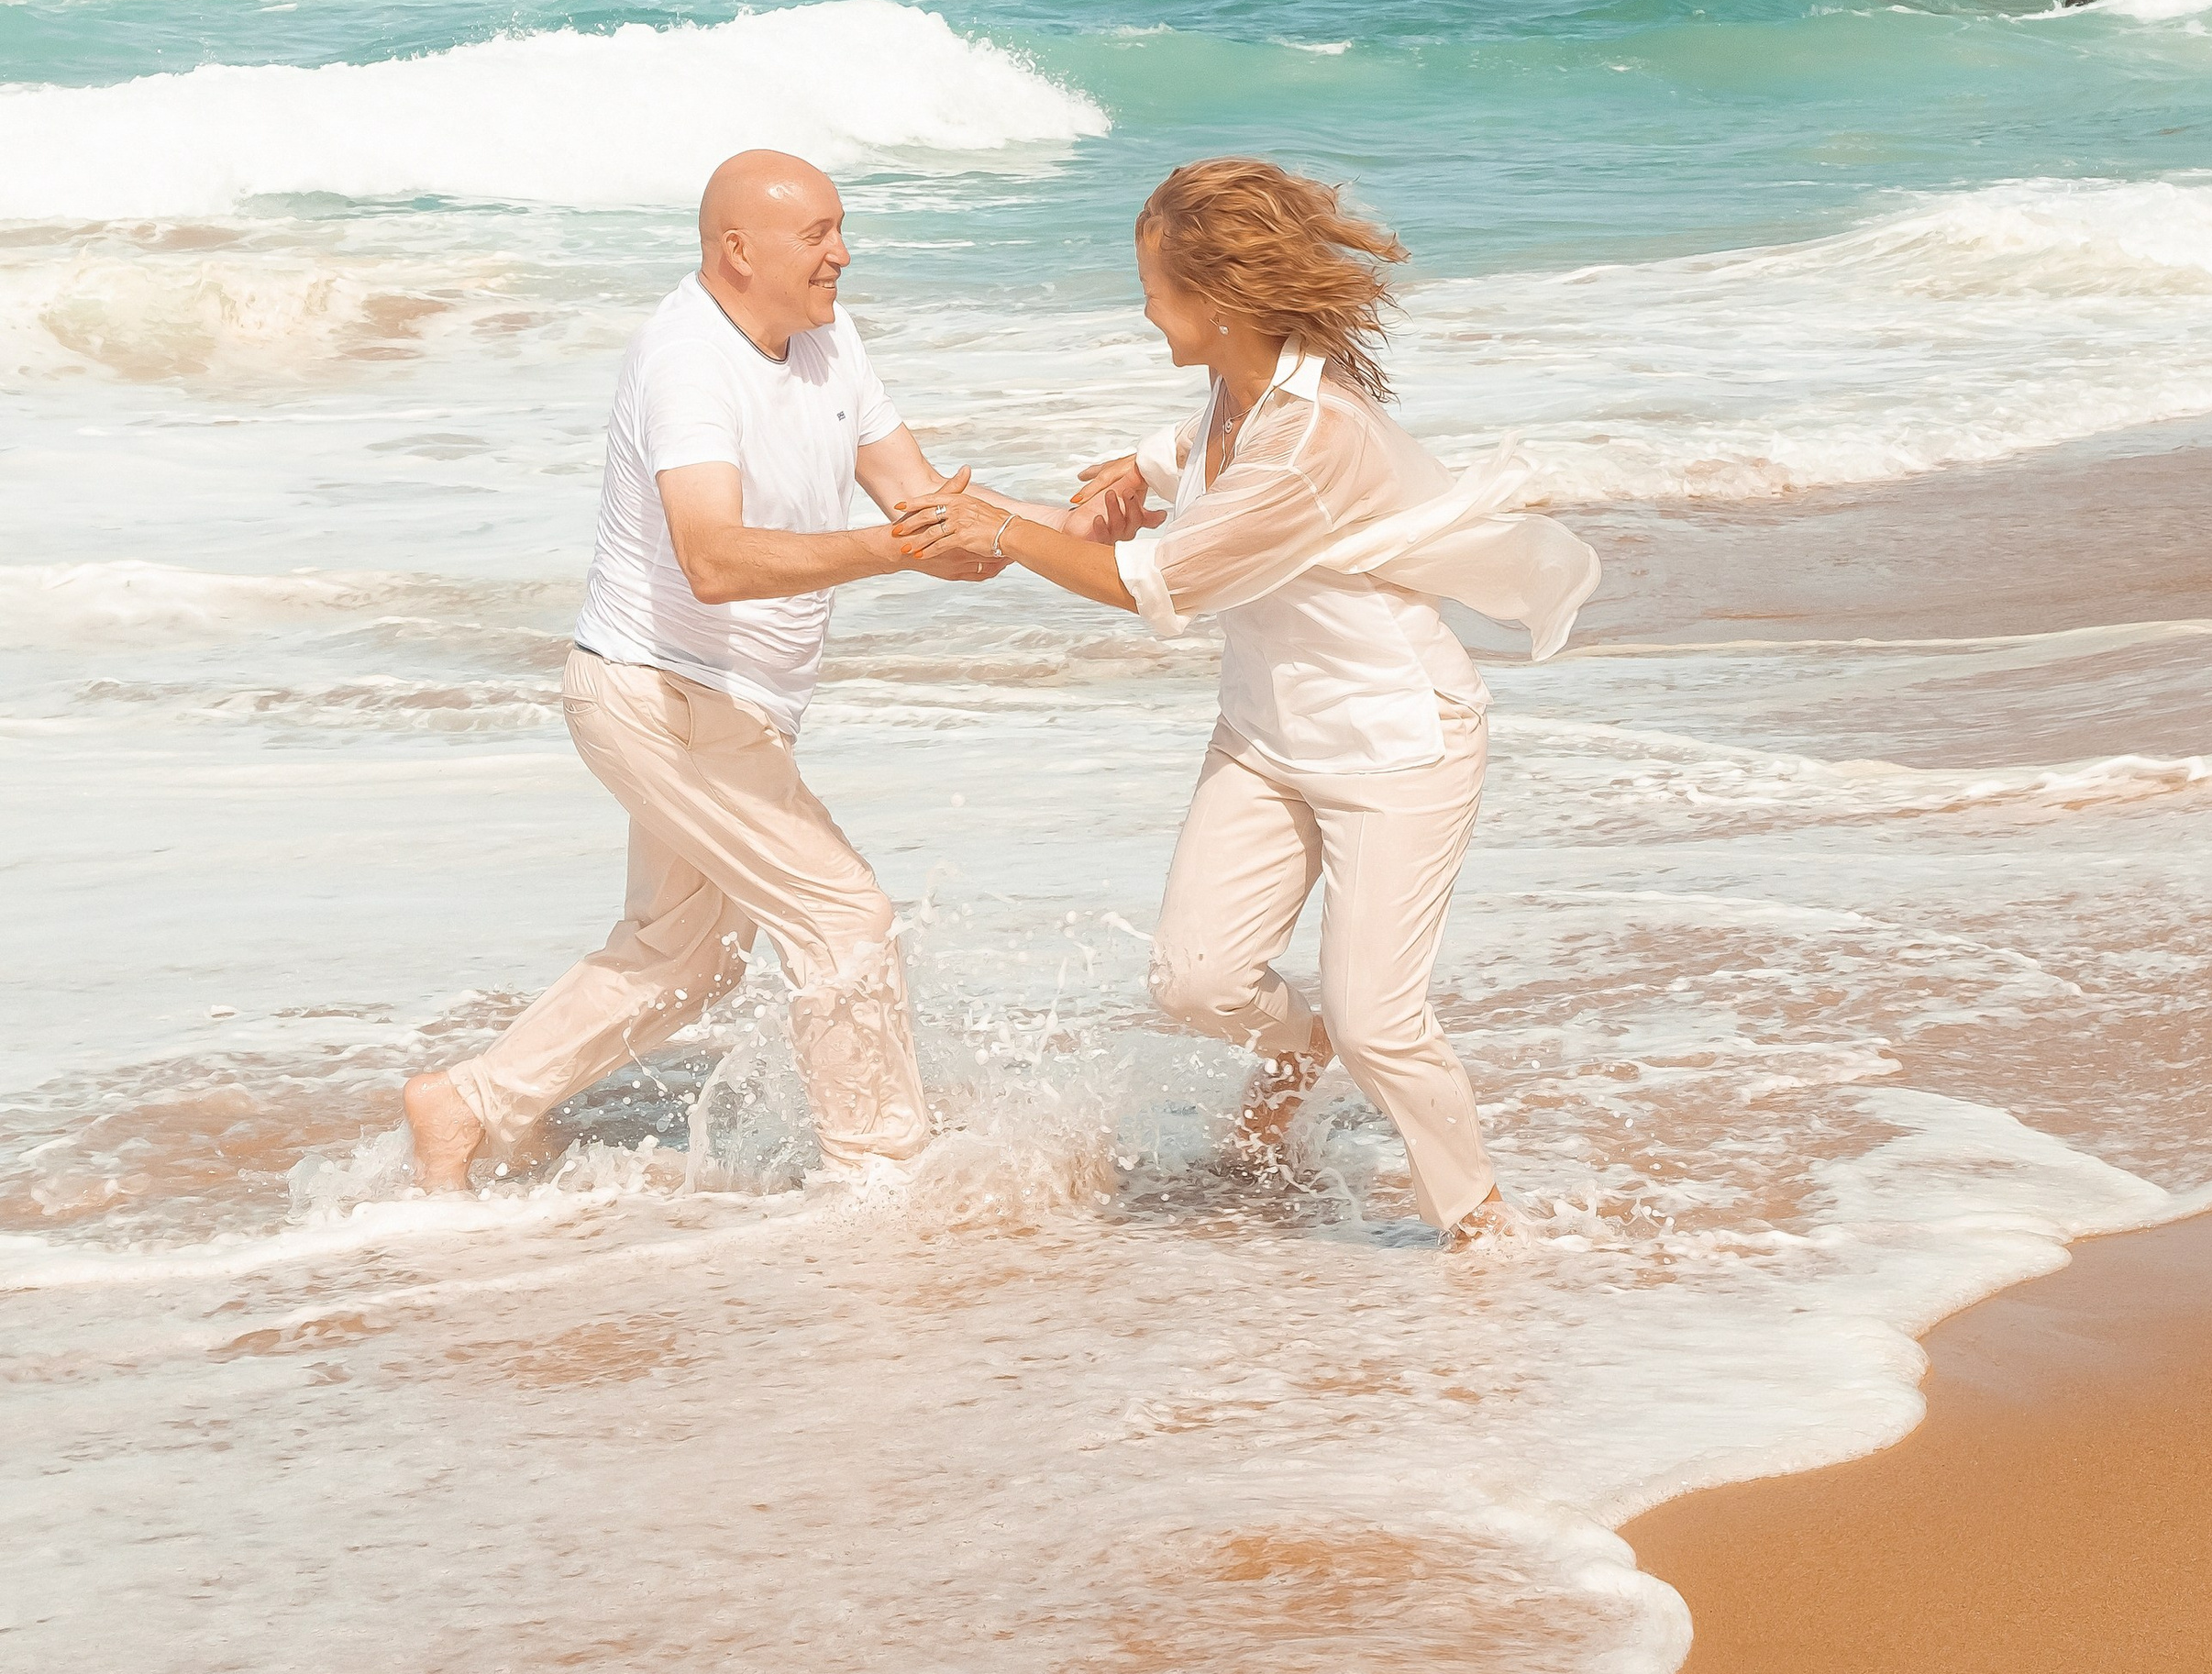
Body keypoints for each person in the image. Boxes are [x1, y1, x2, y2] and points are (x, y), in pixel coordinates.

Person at [902, 158, 1598, 1246]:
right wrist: (1139, 467)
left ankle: (1481, 1225)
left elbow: (1159, 584)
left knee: (1379, 1023)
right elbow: (1203, 454)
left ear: (1217, 306)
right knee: (1196, 981)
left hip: (1394, 745)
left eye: (1154, 289)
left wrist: (1002, 528)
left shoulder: (1314, 443)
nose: (1143, 308)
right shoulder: (1240, 381)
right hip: (1267, 736)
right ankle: (1296, 1050)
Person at [403, 148, 1055, 1194]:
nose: (843, 255)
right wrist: (899, 549)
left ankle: (471, 1103)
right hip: (659, 693)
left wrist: (1076, 533)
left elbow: (925, 506)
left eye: (843, 230)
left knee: (686, 957)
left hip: (726, 704)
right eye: (819, 237)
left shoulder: (826, 338)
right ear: (736, 251)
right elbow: (713, 557)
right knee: (844, 918)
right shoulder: (687, 361)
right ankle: (883, 1178)